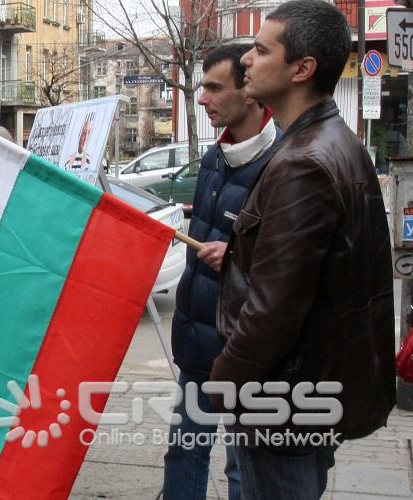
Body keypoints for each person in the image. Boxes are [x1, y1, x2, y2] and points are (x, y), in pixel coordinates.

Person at [211, 1, 395, 498]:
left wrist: (223, 381)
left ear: (302, 68)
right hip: (309, 392)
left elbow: (275, 309)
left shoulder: (303, 162)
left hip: (282, 403)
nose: (246, 59)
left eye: (261, 49)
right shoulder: (337, 142)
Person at [162, 43, 279, 500]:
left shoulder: (283, 163)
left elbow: (290, 266)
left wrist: (233, 255)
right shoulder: (214, 156)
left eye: (214, 87)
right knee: (184, 450)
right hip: (197, 343)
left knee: (241, 466)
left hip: (247, 353)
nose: (202, 98)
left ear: (249, 93)